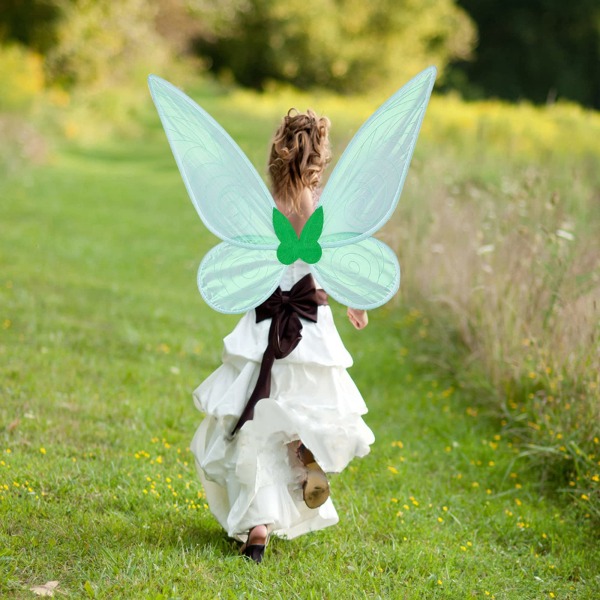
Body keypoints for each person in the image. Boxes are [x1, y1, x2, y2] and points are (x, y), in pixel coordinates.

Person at [190, 109, 375, 563]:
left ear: (279, 148)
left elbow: (251, 261)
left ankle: (257, 524)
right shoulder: (316, 207)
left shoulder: (268, 202)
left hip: (265, 319)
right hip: (308, 322)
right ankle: (303, 455)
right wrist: (353, 299)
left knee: (252, 421)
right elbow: (328, 263)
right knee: (300, 407)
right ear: (321, 154)